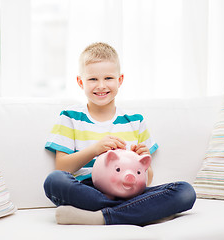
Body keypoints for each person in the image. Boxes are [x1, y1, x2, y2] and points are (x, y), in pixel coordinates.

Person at [43, 42, 196, 225]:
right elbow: (62, 167)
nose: (101, 86)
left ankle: (101, 217)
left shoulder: (135, 121)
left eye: (108, 78)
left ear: (120, 80)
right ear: (80, 82)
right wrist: (95, 149)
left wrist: (144, 160)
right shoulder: (70, 117)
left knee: (185, 191)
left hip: (129, 189)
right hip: (89, 191)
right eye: (93, 79)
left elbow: (147, 179)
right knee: (54, 181)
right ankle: (141, 211)